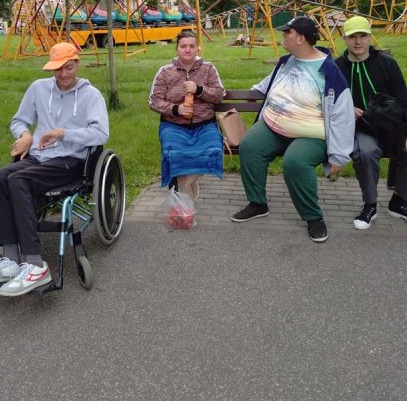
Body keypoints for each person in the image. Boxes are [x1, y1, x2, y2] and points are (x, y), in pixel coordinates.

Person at [0, 42, 109, 296]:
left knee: (18, 181)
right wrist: (25, 135)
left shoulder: (91, 95)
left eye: (68, 67)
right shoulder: (38, 88)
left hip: (70, 161)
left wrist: (63, 133)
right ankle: (11, 260)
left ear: (77, 64)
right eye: (58, 69)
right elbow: (19, 120)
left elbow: (100, 133)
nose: (63, 74)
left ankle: (36, 265)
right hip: (39, 157)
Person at [231, 16, 355, 243]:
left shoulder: (329, 71)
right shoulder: (286, 61)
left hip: (311, 134)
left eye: (287, 32)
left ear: (301, 38)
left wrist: (339, 155)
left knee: (295, 162)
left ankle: (313, 217)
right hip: (273, 125)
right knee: (250, 146)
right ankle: (257, 204)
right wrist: (255, 91)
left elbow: (343, 115)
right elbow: (270, 82)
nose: (283, 36)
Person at [335, 15, 407, 229]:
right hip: (362, 129)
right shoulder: (337, 67)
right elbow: (328, 100)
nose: (358, 42)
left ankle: (399, 201)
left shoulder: (387, 64)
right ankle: (370, 205)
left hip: (391, 125)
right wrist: (346, 109)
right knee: (366, 152)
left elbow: (403, 99)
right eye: (352, 37)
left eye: (363, 36)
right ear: (344, 39)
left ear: (370, 37)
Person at [149, 30, 225, 200]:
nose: (188, 50)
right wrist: (176, 109)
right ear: (177, 48)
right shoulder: (165, 71)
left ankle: (186, 182)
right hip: (173, 125)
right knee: (172, 151)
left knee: (213, 150)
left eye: (192, 46)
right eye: (183, 46)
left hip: (204, 124)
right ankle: (184, 194)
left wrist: (199, 90)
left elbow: (219, 95)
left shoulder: (208, 68)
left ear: (198, 48)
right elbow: (154, 101)